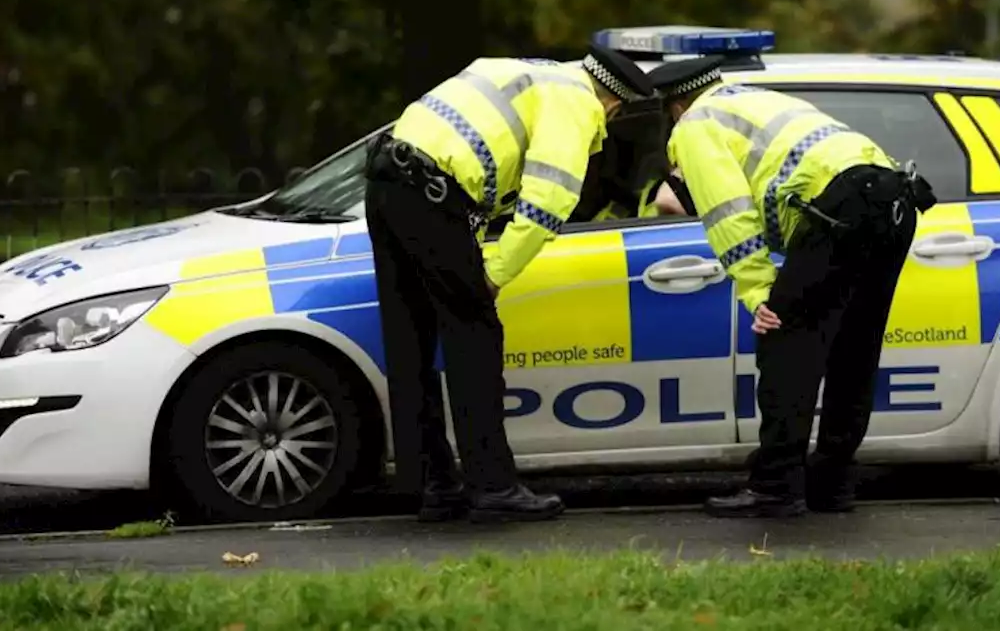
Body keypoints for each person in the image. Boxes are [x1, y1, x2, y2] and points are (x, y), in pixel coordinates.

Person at [364, 47, 656, 523]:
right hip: (432, 195)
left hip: (387, 183)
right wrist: (496, 273)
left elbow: (479, 172)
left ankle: (433, 484)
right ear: (613, 105)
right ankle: (493, 485)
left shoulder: (527, 72)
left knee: (409, 340)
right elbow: (546, 203)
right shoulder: (576, 104)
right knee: (475, 335)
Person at [648, 56, 936, 518]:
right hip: (895, 199)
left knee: (786, 344)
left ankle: (775, 487)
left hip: (841, 208)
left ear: (675, 107)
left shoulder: (696, 124)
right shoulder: (757, 100)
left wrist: (759, 291)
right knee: (854, 351)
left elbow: (728, 212)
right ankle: (834, 483)